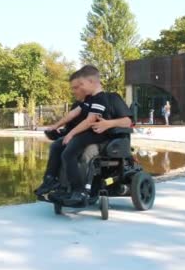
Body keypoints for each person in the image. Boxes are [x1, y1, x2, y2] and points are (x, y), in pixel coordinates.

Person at [35, 65, 132, 203]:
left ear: (89, 83)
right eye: (74, 87)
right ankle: (55, 183)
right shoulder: (84, 102)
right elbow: (72, 121)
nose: (75, 90)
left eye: (78, 86)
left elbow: (127, 122)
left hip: (100, 138)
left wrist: (108, 124)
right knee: (58, 146)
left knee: (81, 152)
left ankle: (81, 190)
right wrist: (56, 129)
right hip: (83, 135)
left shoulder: (109, 98)